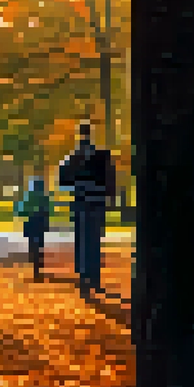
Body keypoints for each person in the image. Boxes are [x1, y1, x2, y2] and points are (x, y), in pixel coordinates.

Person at [58, 121, 111, 298]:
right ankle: (94, 277)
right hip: (97, 201)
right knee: (94, 239)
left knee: (82, 239)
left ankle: (84, 277)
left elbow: (63, 181)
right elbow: (110, 179)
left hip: (81, 200)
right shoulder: (102, 156)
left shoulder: (74, 157)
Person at [15, 178, 53, 281]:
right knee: (40, 244)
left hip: (31, 223)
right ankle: (38, 263)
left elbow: (21, 211)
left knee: (32, 244)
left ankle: (34, 261)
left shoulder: (28, 197)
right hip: (40, 223)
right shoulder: (44, 198)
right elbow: (49, 211)